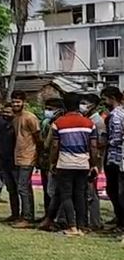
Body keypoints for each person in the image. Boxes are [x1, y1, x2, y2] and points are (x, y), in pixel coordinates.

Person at [48, 93, 98, 236]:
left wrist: (52, 162)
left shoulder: (58, 123)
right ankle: (82, 226)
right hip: (83, 164)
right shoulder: (89, 123)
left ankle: (72, 226)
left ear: (64, 106)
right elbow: (93, 146)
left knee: (66, 195)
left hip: (65, 163)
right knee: (80, 194)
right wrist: (93, 164)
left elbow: (55, 146)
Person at [9, 92, 42, 228]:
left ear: (24, 102)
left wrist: (38, 156)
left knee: (23, 188)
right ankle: (25, 215)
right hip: (18, 156)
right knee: (23, 188)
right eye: (14, 102)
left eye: (18, 102)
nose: (16, 104)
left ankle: (27, 218)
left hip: (28, 156)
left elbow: (38, 137)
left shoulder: (30, 117)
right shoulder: (15, 117)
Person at [81, 95, 107, 230]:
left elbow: (101, 143)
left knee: (91, 192)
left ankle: (95, 222)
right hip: (86, 158)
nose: (82, 106)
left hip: (94, 159)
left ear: (93, 106)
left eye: (85, 103)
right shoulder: (86, 120)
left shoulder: (97, 122)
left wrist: (95, 163)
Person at [102, 86, 124, 229]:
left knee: (115, 190)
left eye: (105, 99)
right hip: (116, 157)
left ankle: (121, 220)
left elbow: (116, 138)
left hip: (115, 157)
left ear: (112, 98)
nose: (104, 102)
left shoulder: (115, 116)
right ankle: (119, 218)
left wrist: (104, 142)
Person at [0, 103, 18, 222]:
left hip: (17, 161)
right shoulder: (1, 125)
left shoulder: (17, 125)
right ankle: (15, 213)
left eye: (9, 112)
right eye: (4, 112)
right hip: (4, 160)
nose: (6, 115)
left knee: (21, 189)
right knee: (11, 189)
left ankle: (26, 215)